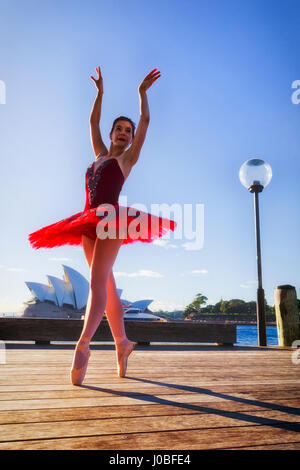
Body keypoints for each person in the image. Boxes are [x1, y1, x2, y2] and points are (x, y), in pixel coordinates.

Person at [28, 66, 177, 385]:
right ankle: (122, 343)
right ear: (111, 135)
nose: (124, 133)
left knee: (96, 283)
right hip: (86, 223)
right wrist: (99, 94)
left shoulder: (126, 160)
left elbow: (147, 122)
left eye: (128, 131)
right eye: (119, 129)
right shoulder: (98, 155)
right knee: (106, 284)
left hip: (111, 221)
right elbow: (92, 121)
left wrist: (142, 95)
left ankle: (83, 345)